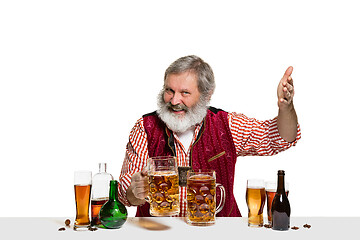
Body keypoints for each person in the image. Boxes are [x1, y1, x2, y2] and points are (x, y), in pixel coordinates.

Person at [118, 55, 301, 217]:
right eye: (169, 91)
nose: (174, 101)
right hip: (160, 233)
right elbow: (124, 191)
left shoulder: (226, 124)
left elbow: (280, 138)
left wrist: (286, 108)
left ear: (206, 96)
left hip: (218, 232)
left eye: (185, 93)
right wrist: (134, 192)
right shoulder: (145, 126)